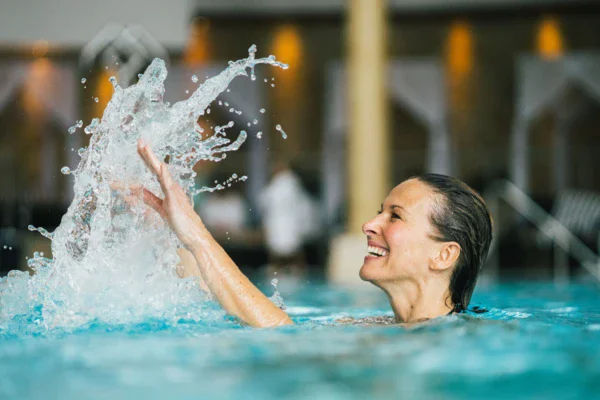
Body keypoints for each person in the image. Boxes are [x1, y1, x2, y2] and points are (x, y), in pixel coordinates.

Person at [137, 140, 493, 328]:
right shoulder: (374, 328)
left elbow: (277, 333)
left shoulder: (463, 339)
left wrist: (197, 233)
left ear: (444, 255)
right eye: (378, 212)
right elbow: (257, 315)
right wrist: (174, 234)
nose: (370, 225)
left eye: (395, 216)